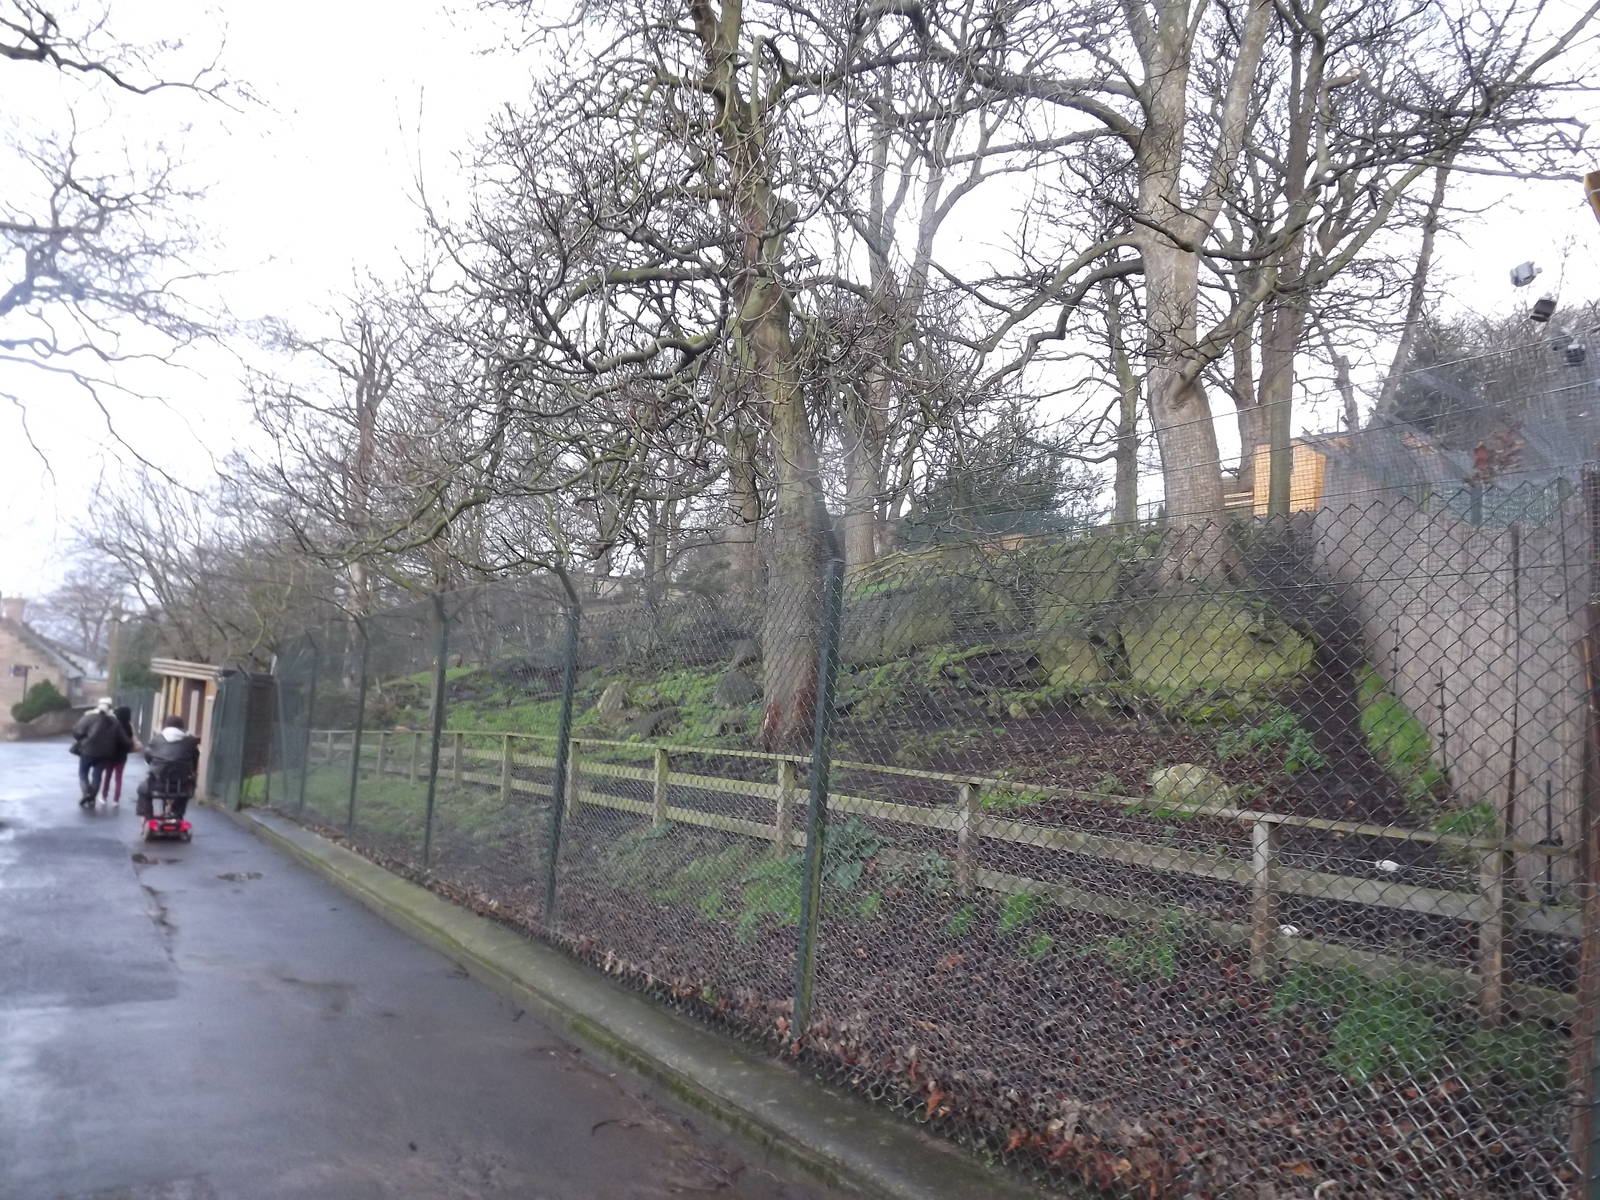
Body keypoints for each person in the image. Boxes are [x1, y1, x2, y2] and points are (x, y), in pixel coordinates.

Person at [71, 698, 133, 808]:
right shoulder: (115, 722)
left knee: (83, 774)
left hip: (87, 751)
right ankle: (92, 797)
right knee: (97, 775)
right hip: (105, 754)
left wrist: (82, 740)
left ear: (98, 706)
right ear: (110, 707)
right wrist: (130, 746)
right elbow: (124, 740)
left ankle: (86, 794)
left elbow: (76, 731)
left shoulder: (88, 718)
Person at [138, 716, 201, 821]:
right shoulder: (190, 741)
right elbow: (195, 758)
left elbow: (148, 756)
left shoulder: (156, 739)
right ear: (182, 727)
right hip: (182, 783)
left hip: (158, 783)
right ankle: (177, 813)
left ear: (165, 726)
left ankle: (148, 816)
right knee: (186, 791)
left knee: (143, 790)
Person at [99, 704, 140, 805]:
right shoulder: (129, 726)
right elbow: (131, 739)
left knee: (107, 776)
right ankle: (116, 799)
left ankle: (104, 796)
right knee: (119, 778)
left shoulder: (113, 723)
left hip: (110, 754)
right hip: (122, 756)